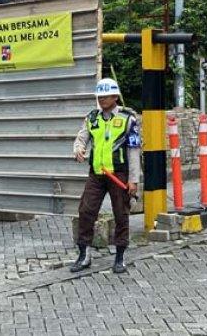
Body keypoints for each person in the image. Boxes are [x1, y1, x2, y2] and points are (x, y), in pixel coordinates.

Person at [71, 78, 141, 274]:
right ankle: (84, 255)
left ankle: (120, 256)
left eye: (106, 96)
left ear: (115, 97)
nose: (102, 99)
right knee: (85, 211)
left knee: (121, 214)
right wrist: (78, 149)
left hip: (119, 175)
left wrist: (134, 179)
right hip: (97, 174)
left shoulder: (128, 119)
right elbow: (81, 137)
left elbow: (134, 150)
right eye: (99, 96)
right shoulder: (92, 118)